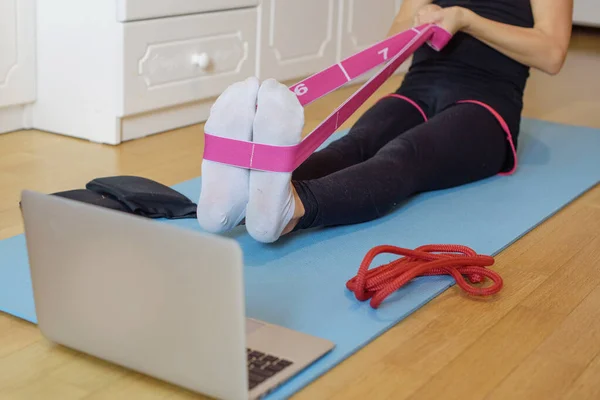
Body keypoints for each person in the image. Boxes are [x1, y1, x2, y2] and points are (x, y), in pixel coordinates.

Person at [196, 0, 574, 243]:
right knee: (353, 144)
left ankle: (293, 209)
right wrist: (417, 17)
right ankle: (245, 196)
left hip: (487, 105)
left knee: (404, 154)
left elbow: (552, 53)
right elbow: (392, 41)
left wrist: (467, 20)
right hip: (418, 89)